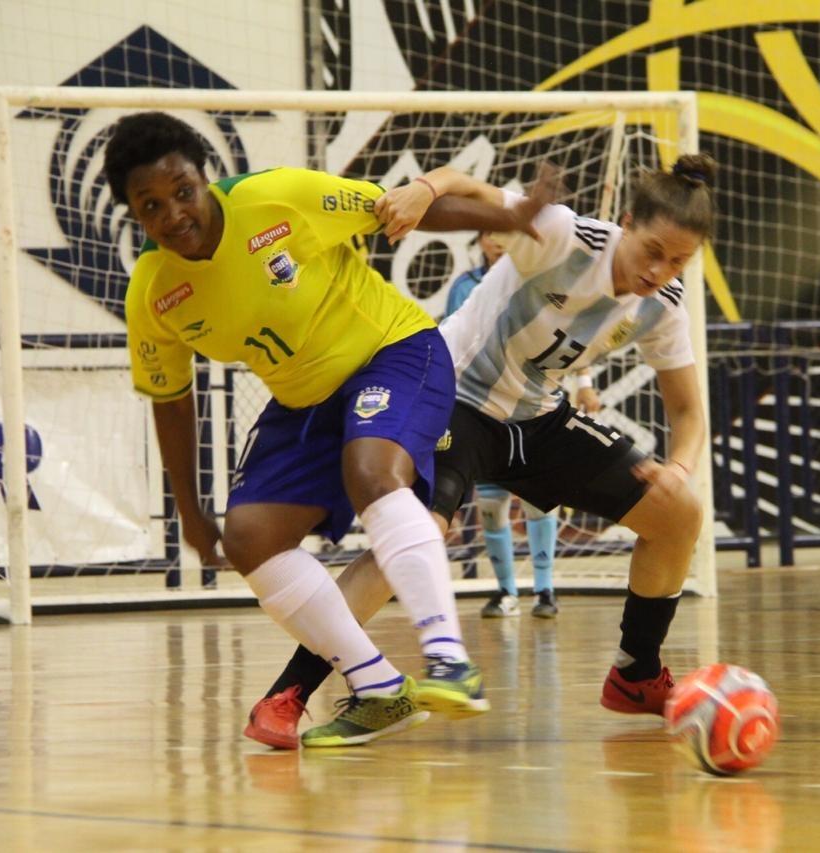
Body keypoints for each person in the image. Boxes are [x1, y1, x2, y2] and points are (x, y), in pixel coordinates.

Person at [103, 112, 545, 749]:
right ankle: (378, 688)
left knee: (371, 472)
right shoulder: (152, 294)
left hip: (393, 351)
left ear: (207, 180)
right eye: (150, 206)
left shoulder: (279, 197)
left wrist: (509, 217)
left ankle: (450, 660)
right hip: (304, 397)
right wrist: (187, 509)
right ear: (134, 215)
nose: (173, 214)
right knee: (251, 538)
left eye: (183, 192)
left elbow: (401, 211)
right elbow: (172, 402)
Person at [251, 153, 714, 747]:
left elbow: (687, 411)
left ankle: (636, 674)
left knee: (680, 514)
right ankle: (288, 692)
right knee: (414, 534)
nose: (661, 270)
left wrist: (680, 467)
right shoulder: (564, 236)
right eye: (653, 250)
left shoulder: (664, 304)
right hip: (451, 394)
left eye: (679, 261)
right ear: (627, 220)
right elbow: (470, 185)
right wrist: (423, 188)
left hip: (538, 419)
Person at [445, 232, 602, 620]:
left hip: (533, 407)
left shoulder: (542, 277)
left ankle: (545, 589)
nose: (498, 241)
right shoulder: (465, 287)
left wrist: (584, 383)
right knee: (492, 505)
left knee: (538, 500)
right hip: (483, 411)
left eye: (505, 233)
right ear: (480, 241)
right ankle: (505, 591)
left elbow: (571, 335)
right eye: (490, 235)